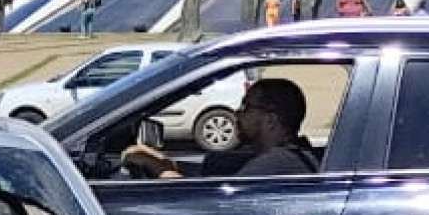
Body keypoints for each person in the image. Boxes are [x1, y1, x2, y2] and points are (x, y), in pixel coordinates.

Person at [122, 77, 319, 180]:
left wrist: (160, 171)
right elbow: (209, 173)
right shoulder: (282, 156)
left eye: (246, 107)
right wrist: (163, 162)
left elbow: (208, 202)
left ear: (271, 120)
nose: (237, 113)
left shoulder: (278, 163)